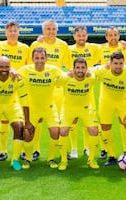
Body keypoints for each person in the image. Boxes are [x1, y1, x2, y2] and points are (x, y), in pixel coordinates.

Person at [28, 19, 71, 161]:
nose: (51, 31)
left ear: (57, 30)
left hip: (57, 89)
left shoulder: (63, 45)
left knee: (58, 121)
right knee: (37, 121)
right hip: (38, 87)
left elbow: (69, 65)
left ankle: (62, 150)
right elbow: (29, 65)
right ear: (43, 30)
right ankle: (35, 150)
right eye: (48, 29)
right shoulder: (36, 44)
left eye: (53, 29)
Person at [18, 47, 62, 169]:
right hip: (32, 109)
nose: (39, 60)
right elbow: (14, 73)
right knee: (28, 133)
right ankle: (28, 159)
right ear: (32, 59)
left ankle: (51, 159)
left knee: (55, 132)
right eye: (37, 58)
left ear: (46, 58)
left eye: (42, 58)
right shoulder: (25, 70)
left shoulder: (53, 70)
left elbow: (66, 76)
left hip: (49, 108)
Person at [0, 21, 30, 162]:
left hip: (19, 89)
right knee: (4, 120)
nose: (12, 33)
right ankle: (3, 151)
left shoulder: (25, 48)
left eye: (15, 30)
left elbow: (28, 67)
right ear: (5, 32)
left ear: (18, 32)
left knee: (21, 120)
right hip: (2, 88)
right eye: (10, 31)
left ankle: (22, 151)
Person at [93, 51, 126, 166]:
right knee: (105, 127)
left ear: (124, 63)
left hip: (124, 101)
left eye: (121, 63)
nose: (118, 66)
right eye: (116, 63)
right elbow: (86, 70)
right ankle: (111, 156)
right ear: (110, 63)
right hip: (106, 102)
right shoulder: (102, 70)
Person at [57, 58, 100, 170]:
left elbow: (101, 68)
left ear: (86, 69)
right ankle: (63, 160)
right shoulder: (66, 79)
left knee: (94, 130)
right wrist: (66, 74)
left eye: (83, 68)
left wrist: (92, 72)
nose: (80, 70)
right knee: (63, 131)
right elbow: (56, 82)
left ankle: (91, 160)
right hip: (68, 109)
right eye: (77, 68)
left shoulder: (91, 78)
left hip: (85, 109)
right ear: (73, 69)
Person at [67, 25, 101, 158]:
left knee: (88, 120)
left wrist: (123, 44)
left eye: (83, 35)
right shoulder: (68, 49)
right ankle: (74, 149)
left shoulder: (94, 48)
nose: (81, 38)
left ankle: (87, 147)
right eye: (79, 35)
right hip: (72, 87)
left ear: (87, 36)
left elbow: (109, 46)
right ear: (74, 36)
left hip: (88, 89)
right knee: (73, 120)